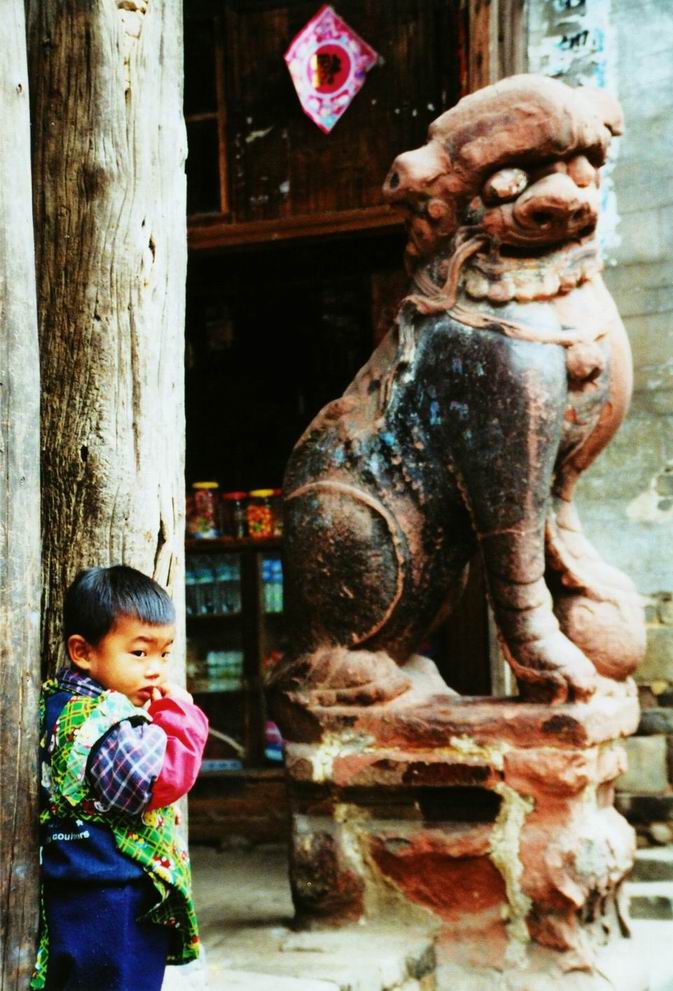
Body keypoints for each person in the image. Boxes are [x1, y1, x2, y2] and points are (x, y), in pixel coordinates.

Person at [31, 565, 209, 991]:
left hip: (84, 890)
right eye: (139, 653)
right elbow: (160, 779)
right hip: (113, 896)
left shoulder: (64, 701)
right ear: (83, 651)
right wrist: (182, 718)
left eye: (164, 654)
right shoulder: (105, 722)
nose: (156, 670)